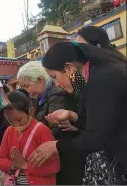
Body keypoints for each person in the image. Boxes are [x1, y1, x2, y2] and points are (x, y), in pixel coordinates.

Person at [31, 41, 127, 185]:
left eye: (54, 77)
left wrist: (55, 146)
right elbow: (105, 122)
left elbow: (95, 138)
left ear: (69, 68)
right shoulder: (99, 74)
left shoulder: (102, 80)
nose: (57, 84)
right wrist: (72, 116)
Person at [17, 60, 84, 184]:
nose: (27, 91)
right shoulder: (38, 97)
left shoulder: (58, 95)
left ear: (40, 80)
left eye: (27, 86)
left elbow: (57, 128)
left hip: (64, 157)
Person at [0, 90, 60, 185]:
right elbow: (0, 159)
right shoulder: (9, 131)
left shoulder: (42, 130)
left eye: (19, 119)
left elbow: (54, 166)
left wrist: (25, 165)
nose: (16, 125)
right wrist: (13, 165)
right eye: (10, 121)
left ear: (31, 111)